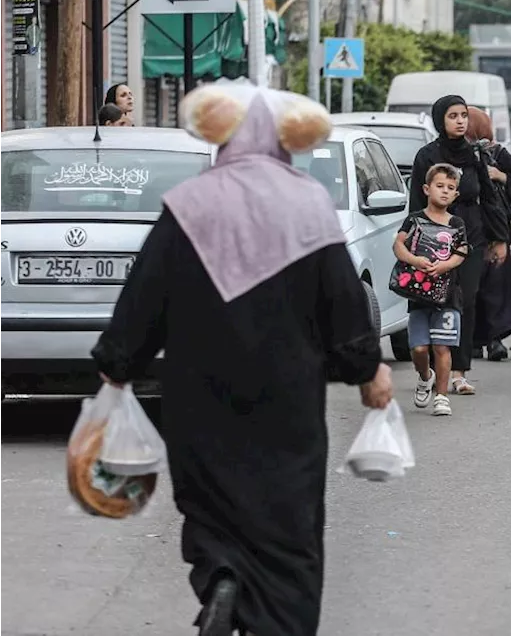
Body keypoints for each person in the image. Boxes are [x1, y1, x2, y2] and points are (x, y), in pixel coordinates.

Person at [90, 82, 394, 636]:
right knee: (288, 524)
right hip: (287, 402)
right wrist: (367, 370)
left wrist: (118, 361)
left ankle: (221, 576)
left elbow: (144, 296)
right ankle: (276, 619)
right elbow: (343, 306)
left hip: (198, 395)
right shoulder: (308, 204)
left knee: (210, 508)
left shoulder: (189, 204)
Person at [409, 95, 511, 396]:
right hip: (433, 236)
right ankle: (430, 366)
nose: (460, 121)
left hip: (471, 233)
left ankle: (459, 371)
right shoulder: (427, 156)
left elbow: (490, 197)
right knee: (435, 299)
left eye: (464, 115)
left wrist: (499, 238)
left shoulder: (475, 155)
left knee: (466, 300)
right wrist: (417, 244)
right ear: (441, 119)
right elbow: (416, 201)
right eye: (453, 115)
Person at [396, 164, 470, 417]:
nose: (445, 192)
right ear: (426, 189)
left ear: (456, 195)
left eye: (451, 188)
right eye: (440, 186)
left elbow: (462, 251)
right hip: (419, 293)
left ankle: (441, 396)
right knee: (418, 348)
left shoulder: (457, 223)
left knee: (442, 347)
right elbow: (398, 244)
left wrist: (446, 265)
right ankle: (424, 376)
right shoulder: (415, 219)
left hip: (448, 296)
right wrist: (415, 261)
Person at [466, 106, 511, 362]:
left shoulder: (497, 153)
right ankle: (475, 341)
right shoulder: (458, 155)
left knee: (495, 284)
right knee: (474, 285)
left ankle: (494, 339)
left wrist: (500, 176)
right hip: (469, 226)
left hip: (496, 224)